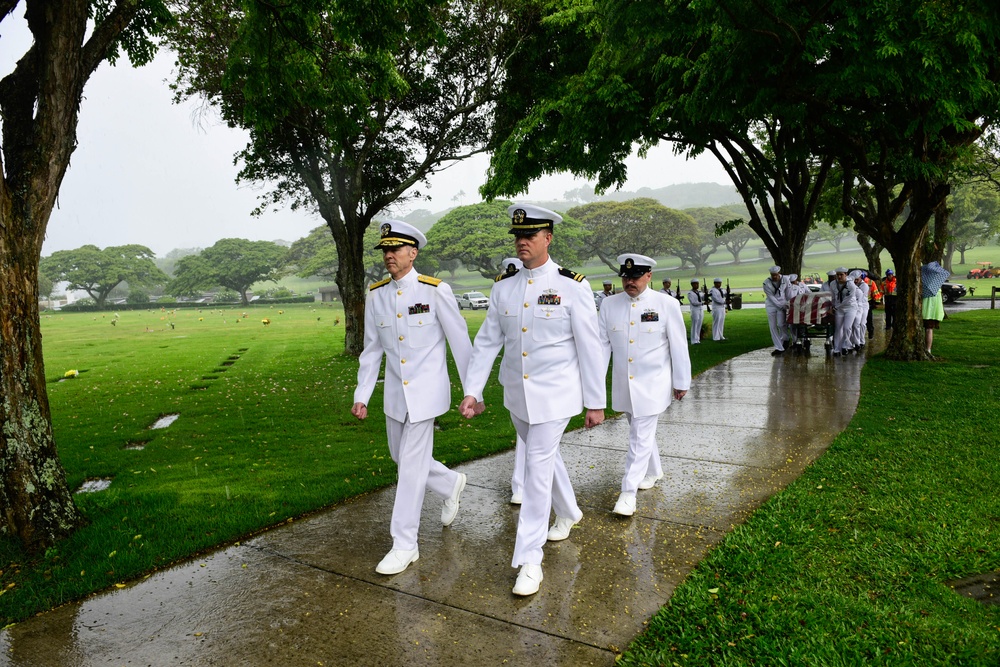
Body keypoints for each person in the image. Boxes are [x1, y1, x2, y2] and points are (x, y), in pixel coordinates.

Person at [458, 203, 606, 597]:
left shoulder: (572, 285)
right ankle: (570, 512)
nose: (522, 242)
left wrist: (595, 401)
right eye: (518, 237)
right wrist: (472, 391)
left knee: (536, 470)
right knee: (546, 457)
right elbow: (487, 342)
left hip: (556, 395)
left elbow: (590, 348)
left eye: (530, 236)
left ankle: (529, 558)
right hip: (516, 396)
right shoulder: (503, 286)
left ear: (548, 238)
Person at [352, 220, 483, 575]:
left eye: (396, 249)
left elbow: (460, 343)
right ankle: (449, 482)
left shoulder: (435, 290)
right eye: (385, 250)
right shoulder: (376, 293)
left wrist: (475, 391)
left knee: (409, 469)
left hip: (426, 393)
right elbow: (371, 350)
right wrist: (362, 393)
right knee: (401, 457)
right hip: (395, 394)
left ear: (413, 253)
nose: (390, 255)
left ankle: (404, 543)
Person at [598, 254, 691, 516]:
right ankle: (654, 470)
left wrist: (681, 381)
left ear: (649, 276)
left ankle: (628, 493)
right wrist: (594, 385)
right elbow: (601, 348)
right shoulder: (609, 305)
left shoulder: (666, 303)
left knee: (639, 435)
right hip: (624, 385)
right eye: (626, 277)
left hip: (654, 384)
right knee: (640, 432)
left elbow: (678, 345)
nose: (630, 282)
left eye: (636, 277)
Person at [497, 257, 527, 504]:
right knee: (524, 435)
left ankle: (522, 483)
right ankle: (520, 483)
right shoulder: (504, 292)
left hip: (543, 380)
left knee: (536, 441)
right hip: (513, 375)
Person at [921, 261, 950, 358]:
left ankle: (925, 348)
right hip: (934, 314)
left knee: (925, 330)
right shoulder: (937, 289)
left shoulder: (924, 288)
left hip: (923, 313)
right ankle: (928, 349)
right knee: (929, 330)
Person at [763, 265, 789, 356]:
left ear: (779, 273)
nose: (774, 277)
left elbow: (788, 292)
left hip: (782, 303)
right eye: (772, 275)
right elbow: (771, 297)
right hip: (771, 305)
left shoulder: (785, 279)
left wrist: (788, 303)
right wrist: (780, 306)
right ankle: (779, 347)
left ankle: (785, 339)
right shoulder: (766, 283)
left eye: (776, 275)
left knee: (781, 324)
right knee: (773, 326)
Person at [831, 267, 857, 357]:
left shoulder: (851, 285)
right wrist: (832, 306)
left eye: (841, 274)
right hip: (839, 309)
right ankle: (836, 349)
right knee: (838, 329)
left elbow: (846, 300)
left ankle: (845, 346)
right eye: (837, 274)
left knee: (847, 328)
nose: (839, 276)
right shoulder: (833, 284)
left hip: (850, 307)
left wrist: (836, 307)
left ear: (846, 274)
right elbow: (833, 296)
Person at [686, 278, 705, 344]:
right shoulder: (690, 293)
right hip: (695, 310)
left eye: (697, 284)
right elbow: (694, 302)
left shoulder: (699, 292)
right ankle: (693, 340)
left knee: (699, 324)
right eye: (695, 284)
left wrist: (705, 292)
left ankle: (697, 339)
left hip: (700, 309)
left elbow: (704, 297)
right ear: (692, 285)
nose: (697, 285)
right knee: (695, 324)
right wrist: (702, 303)